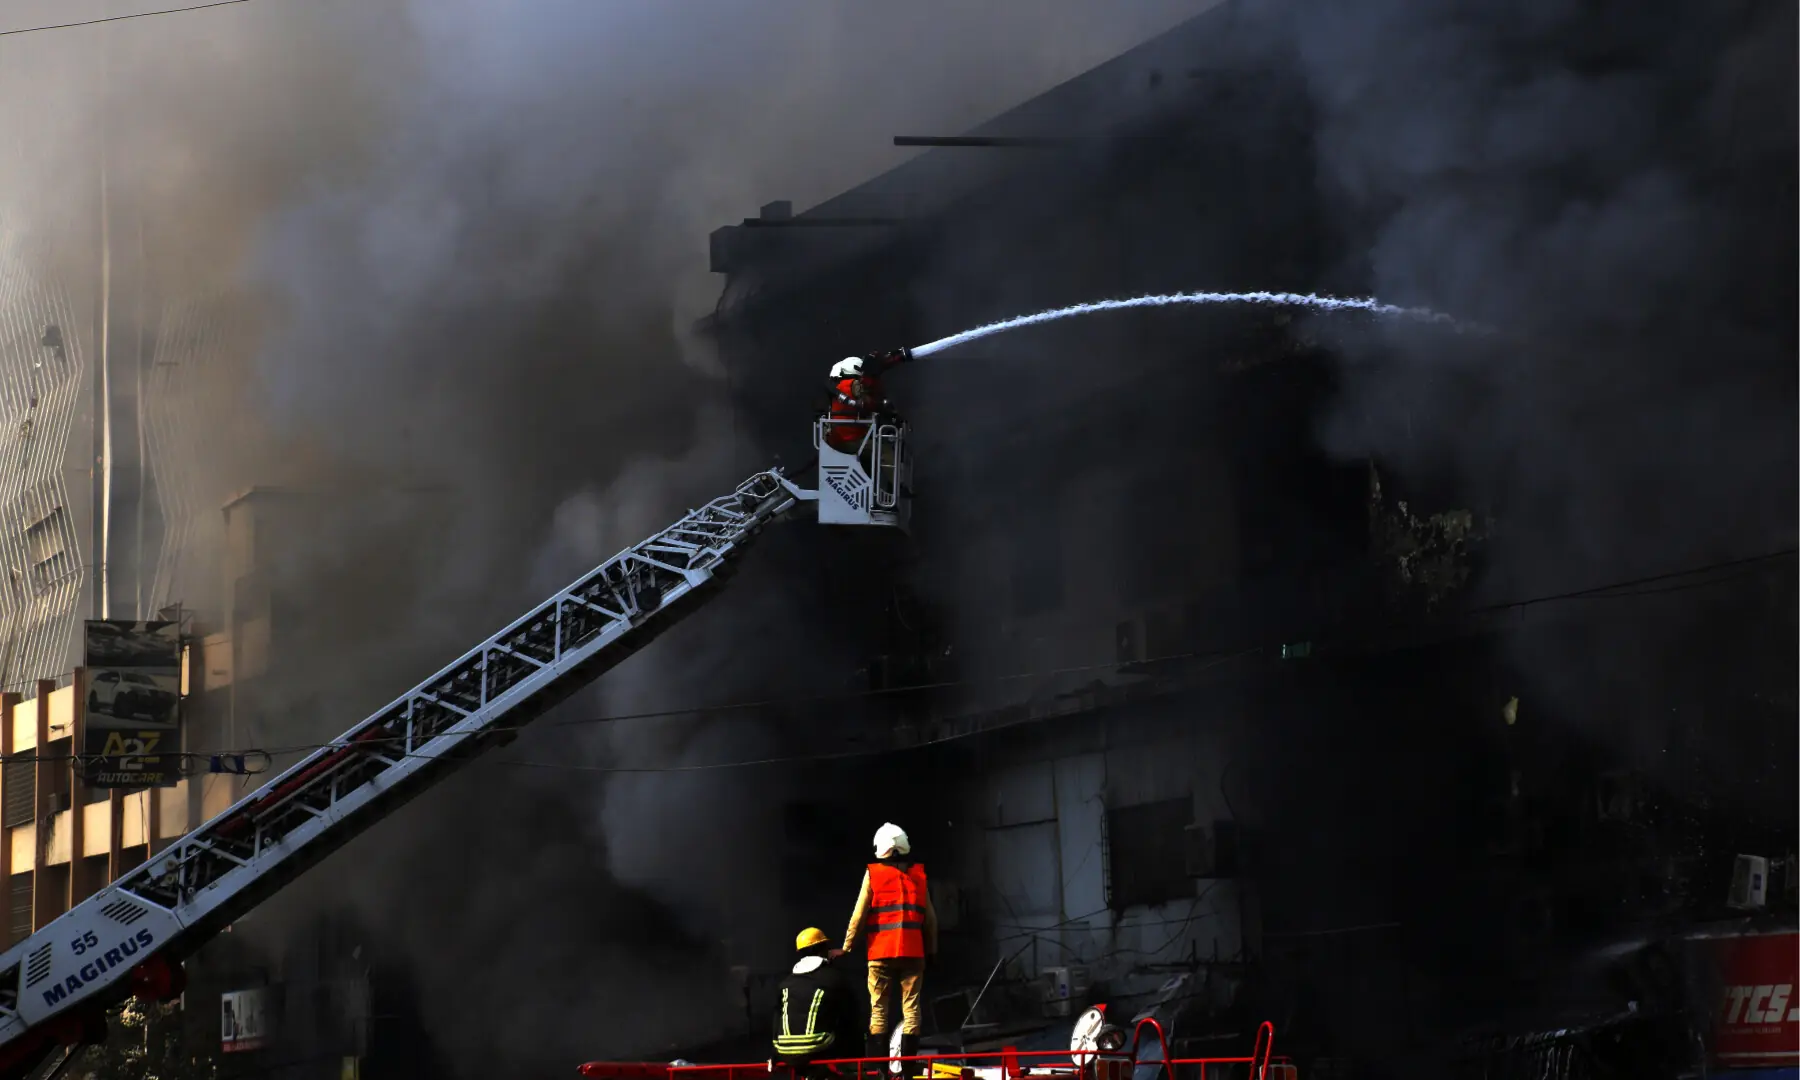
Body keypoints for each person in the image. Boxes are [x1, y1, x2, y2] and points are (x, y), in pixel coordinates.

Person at [843, 823, 937, 1071]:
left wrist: (847, 947)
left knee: (879, 1012)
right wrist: (932, 950)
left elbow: (858, 916)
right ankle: (907, 1073)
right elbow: (930, 920)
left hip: (880, 954)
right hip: (913, 953)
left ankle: (880, 1073)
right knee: (912, 1010)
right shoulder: (919, 876)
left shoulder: (873, 874)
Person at [773, 927, 854, 1074]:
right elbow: (850, 1015)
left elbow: (776, 1018)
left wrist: (774, 1052)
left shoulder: (786, 983)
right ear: (822, 949)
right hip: (818, 1048)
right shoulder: (833, 978)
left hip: (783, 1051)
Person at [825, 349, 911, 454]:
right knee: (886, 453)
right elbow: (870, 404)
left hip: (840, 439)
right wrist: (886, 409)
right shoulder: (852, 385)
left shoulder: (838, 388)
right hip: (853, 440)